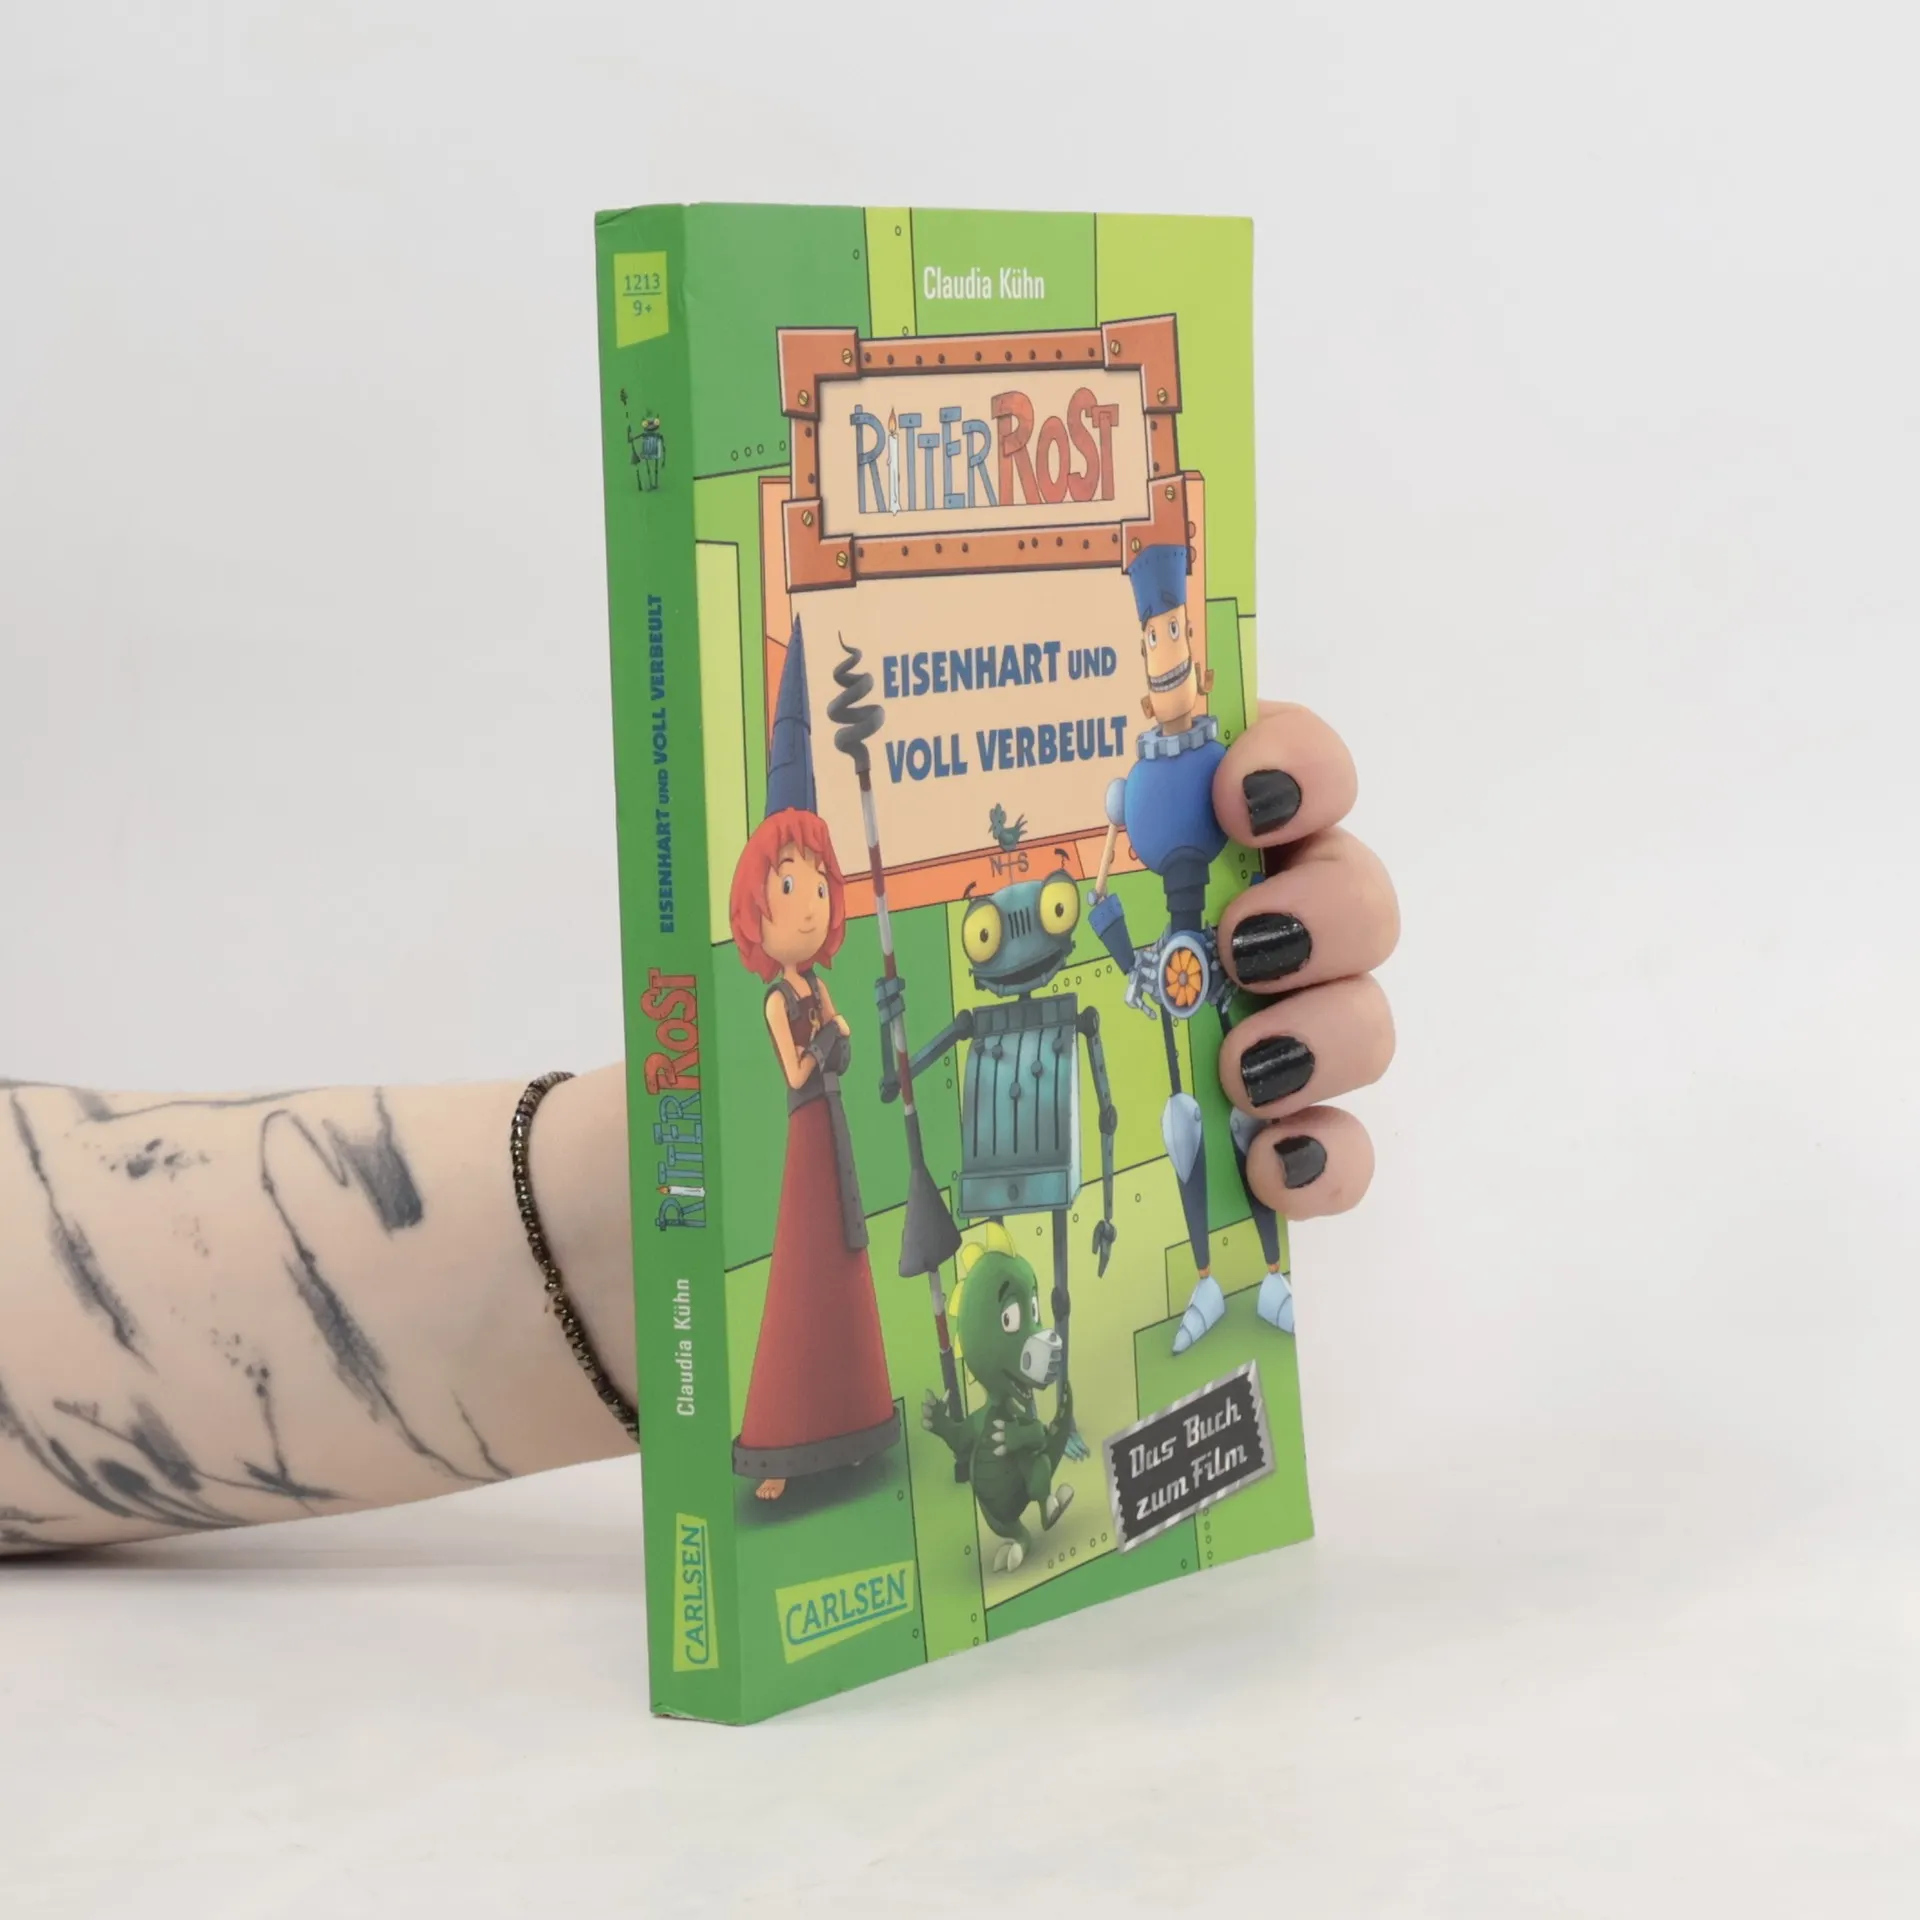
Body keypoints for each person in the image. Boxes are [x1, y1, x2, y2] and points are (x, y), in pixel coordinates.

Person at [0, 703, 1397, 1555]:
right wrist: (861, 1045)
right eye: (793, 890)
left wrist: (634, 1216)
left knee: (864, 1275)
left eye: (817, 888)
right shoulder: (789, 1000)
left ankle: (882, 1418)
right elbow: (813, 1059)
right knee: (820, 1285)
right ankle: (818, 1431)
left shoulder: (825, 991)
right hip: (811, 1143)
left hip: (825, 1153)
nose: (813, 906)